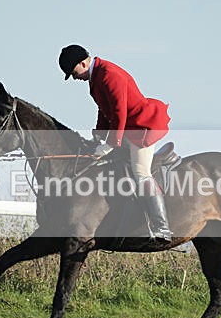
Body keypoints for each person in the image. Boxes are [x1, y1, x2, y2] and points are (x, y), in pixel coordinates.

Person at [58, 44, 172, 243]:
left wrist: (111, 143)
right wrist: (98, 134)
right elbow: (104, 110)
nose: (74, 78)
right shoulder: (96, 77)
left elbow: (119, 112)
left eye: (73, 73)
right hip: (128, 127)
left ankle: (162, 228)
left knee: (140, 172)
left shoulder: (109, 74)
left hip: (142, 125)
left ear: (82, 63)